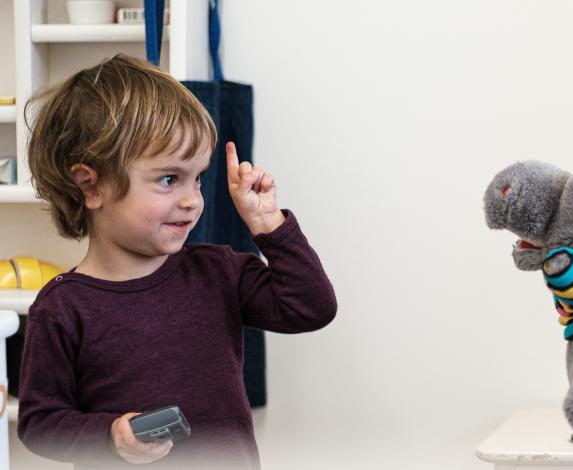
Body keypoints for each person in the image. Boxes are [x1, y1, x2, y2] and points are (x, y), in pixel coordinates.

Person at [17, 54, 337, 469]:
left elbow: (311, 307)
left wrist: (268, 224)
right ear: (91, 186)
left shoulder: (219, 271)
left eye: (198, 178)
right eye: (169, 179)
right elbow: (40, 424)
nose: (193, 200)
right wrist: (110, 436)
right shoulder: (62, 309)